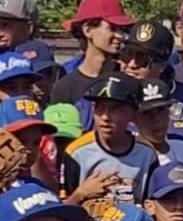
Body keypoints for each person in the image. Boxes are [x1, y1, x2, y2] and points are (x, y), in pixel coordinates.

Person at [116, 19, 183, 159]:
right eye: (127, 55)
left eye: (142, 58)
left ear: (162, 65)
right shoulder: (111, 97)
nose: (132, 64)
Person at [62, 75, 158, 207]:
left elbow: (153, 206)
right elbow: (63, 209)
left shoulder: (146, 154)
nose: (105, 116)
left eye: (115, 109)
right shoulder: (77, 152)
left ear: (133, 113)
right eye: (99, 108)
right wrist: (80, 194)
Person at [50, 0, 134, 106]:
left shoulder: (128, 82)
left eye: (122, 30)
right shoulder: (65, 88)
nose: (120, 36)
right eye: (112, 28)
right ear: (88, 30)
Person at [133, 79, 183, 168]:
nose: (156, 119)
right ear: (133, 117)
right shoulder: (130, 157)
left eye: (161, 110)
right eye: (146, 113)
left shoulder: (181, 149)